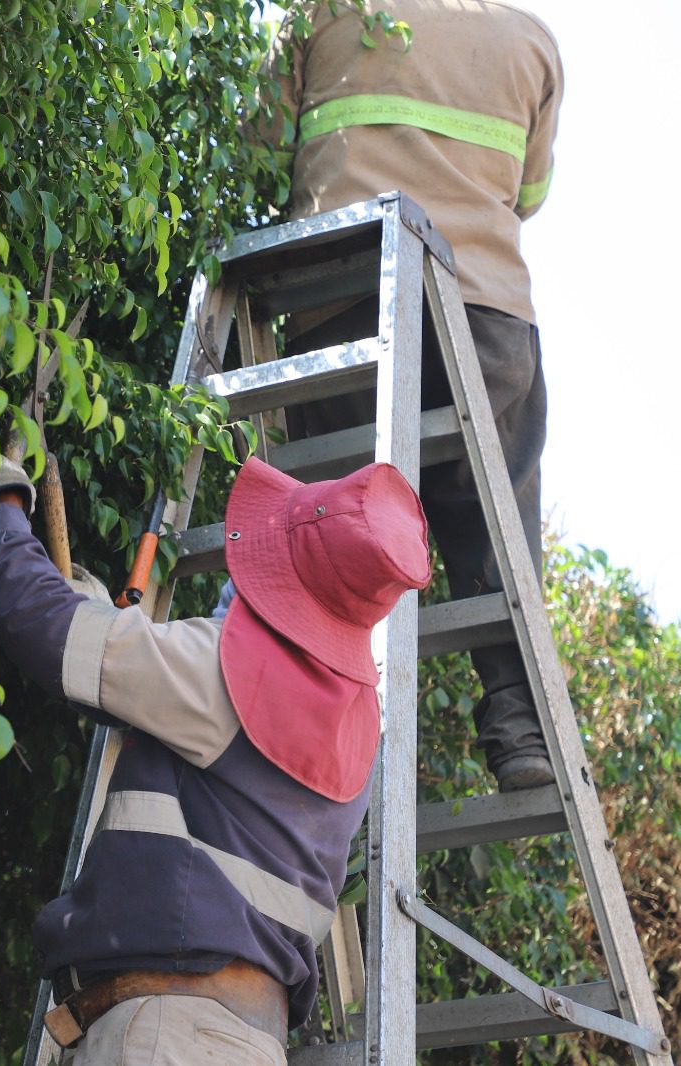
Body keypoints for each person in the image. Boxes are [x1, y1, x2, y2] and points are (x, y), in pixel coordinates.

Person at [0, 455, 430, 1063]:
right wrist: (106, 622)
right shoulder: (354, 733)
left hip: (166, 1037)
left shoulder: (226, 675)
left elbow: (45, 629)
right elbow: (193, 740)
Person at [255, 0, 564, 792]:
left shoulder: (318, 14)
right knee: (494, 490)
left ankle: (299, 702)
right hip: (482, 318)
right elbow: (529, 195)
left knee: (328, 512)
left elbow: (256, 153)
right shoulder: (530, 41)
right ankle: (517, 724)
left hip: (341, 310)